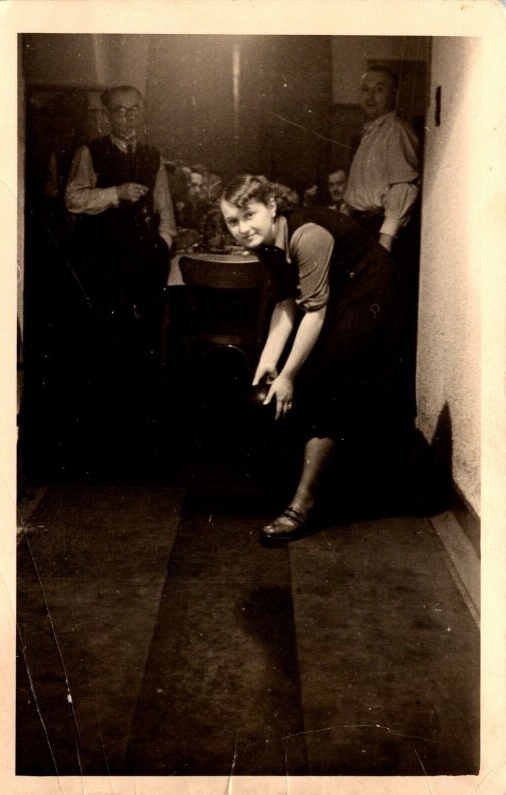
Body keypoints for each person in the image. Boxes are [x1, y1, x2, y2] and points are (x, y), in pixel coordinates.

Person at [220, 175, 411, 545]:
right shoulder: (265, 241)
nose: (241, 228)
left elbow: (315, 313)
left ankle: (304, 505)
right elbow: (285, 303)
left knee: (322, 380)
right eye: (232, 221)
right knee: (308, 378)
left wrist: (288, 374)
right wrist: (268, 362)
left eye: (249, 215)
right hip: (340, 294)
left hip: (374, 292)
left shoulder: (307, 234)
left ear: (272, 207)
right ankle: (314, 485)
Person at [64, 85, 177, 456]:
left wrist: (164, 240)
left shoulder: (152, 154)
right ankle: (106, 435)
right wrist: (115, 193)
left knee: (143, 340)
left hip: (145, 261)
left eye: (133, 110)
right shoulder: (91, 151)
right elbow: (73, 199)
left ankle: (140, 433)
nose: (127, 117)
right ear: (108, 115)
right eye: (119, 111)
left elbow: (164, 206)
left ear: (141, 112)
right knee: (107, 341)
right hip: (104, 261)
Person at [344, 65, 420, 254]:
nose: (370, 97)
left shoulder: (395, 130)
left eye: (379, 90)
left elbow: (404, 187)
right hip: (360, 226)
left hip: (379, 231)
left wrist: (385, 240)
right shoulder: (372, 131)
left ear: (393, 94)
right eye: (365, 89)